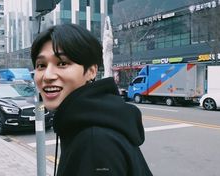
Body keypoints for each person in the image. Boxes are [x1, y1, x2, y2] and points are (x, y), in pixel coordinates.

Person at [31, 24, 153, 176]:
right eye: (41, 65)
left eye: (62, 63)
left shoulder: (94, 143)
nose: (47, 76)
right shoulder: (87, 124)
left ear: (91, 71)